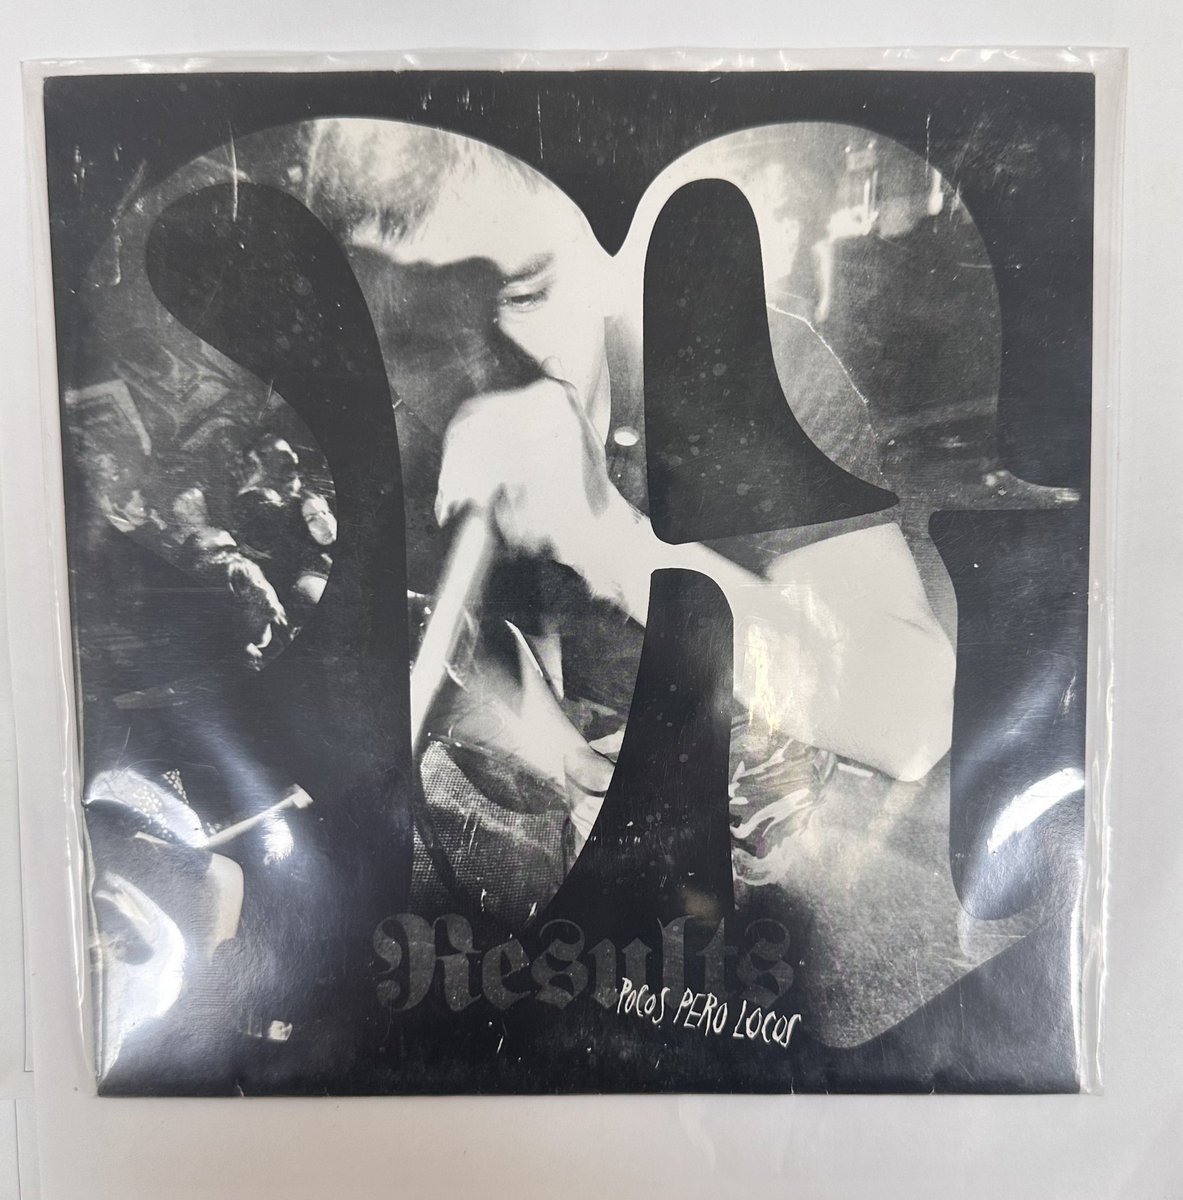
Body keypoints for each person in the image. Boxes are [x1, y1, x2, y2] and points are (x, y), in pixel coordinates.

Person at [287, 119, 956, 926]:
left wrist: (602, 533)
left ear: (606, 260)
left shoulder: (746, 364)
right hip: (601, 776)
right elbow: (465, 640)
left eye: (524, 294)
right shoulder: (389, 439)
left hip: (767, 765)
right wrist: (562, 757)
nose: (482, 371)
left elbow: (911, 720)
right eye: (418, 334)